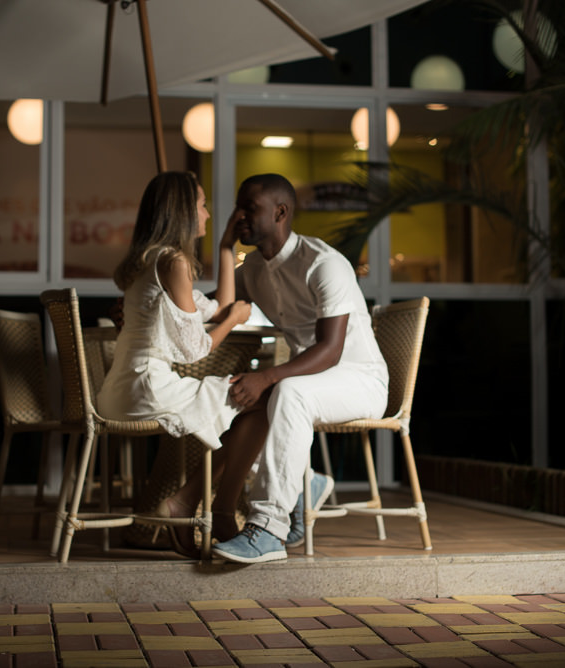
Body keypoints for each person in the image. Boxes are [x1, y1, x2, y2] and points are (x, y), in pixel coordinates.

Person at [211, 173, 389, 563]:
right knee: (234, 394)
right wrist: (151, 308)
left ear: (280, 213)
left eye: (249, 208)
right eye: (238, 207)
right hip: (309, 380)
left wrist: (267, 377)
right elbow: (213, 307)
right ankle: (305, 485)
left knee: (285, 391)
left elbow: (330, 349)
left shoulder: (323, 263)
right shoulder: (253, 268)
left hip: (360, 380)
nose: (239, 216)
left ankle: (267, 530)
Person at [96, 171, 267, 558]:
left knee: (249, 404)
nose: (207, 213)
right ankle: (208, 506)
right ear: (184, 212)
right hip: (149, 388)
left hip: (120, 390)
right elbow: (195, 349)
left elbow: (217, 306)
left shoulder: (148, 260)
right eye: (202, 205)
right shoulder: (173, 261)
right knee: (258, 398)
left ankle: (195, 503)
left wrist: (225, 245)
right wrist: (234, 321)